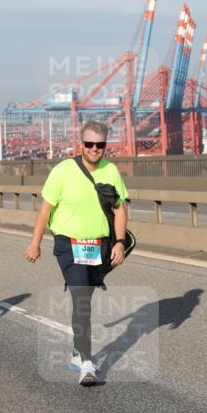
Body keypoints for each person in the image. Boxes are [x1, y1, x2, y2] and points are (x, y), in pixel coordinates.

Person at [24, 121, 128, 386]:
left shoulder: (112, 171)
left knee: (85, 300)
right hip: (69, 245)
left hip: (98, 247)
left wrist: (118, 242)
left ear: (106, 146)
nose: (95, 149)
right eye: (89, 144)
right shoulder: (63, 171)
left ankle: (76, 351)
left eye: (100, 145)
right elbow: (45, 210)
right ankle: (87, 363)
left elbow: (119, 209)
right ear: (80, 145)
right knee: (81, 297)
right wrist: (35, 243)